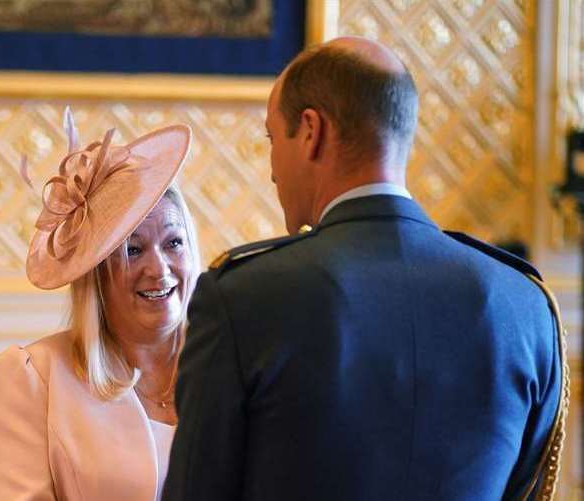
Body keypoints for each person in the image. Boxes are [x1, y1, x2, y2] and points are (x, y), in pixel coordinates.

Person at [164, 37, 567, 500]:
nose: (273, 170)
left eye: (273, 140)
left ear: (312, 131)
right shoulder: (525, 307)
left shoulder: (242, 297)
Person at [0, 113, 201, 501]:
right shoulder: (34, 377)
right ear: (96, 273)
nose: (159, 269)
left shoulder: (231, 365)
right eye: (133, 250)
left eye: (174, 243)